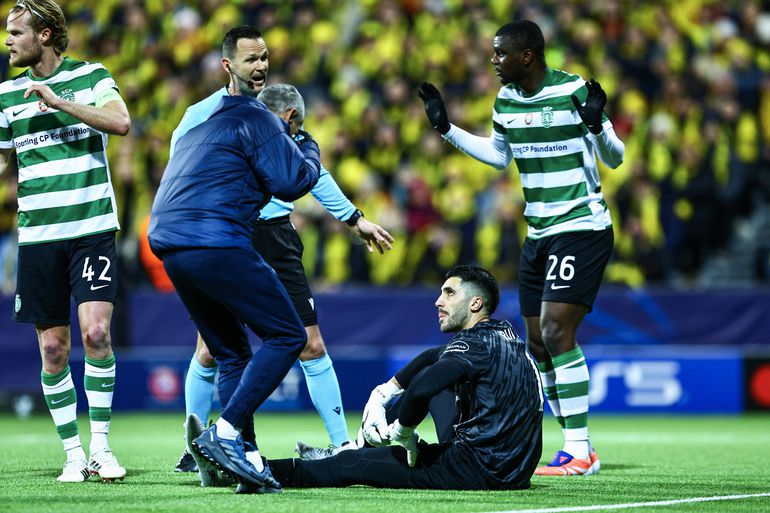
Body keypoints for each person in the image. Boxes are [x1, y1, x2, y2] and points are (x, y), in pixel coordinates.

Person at [169, 27, 394, 475]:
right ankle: (193, 446)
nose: (261, 66)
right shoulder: (200, 115)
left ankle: (341, 445)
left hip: (273, 238)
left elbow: (313, 176)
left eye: (265, 58)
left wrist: (354, 218)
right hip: (225, 235)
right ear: (228, 64)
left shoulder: (272, 115)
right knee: (212, 349)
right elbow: (181, 168)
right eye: (252, 59)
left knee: (309, 344)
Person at [418, 20, 624, 476]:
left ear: (526, 55)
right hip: (539, 233)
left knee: (554, 330)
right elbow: (498, 156)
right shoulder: (506, 100)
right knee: (538, 343)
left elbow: (616, 156)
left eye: (499, 53)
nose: (493, 60)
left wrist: (596, 126)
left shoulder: (572, 90)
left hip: (581, 226)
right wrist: (447, 128)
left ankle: (579, 448)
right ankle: (571, 447)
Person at [148, 68, 321, 492]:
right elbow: (293, 181)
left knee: (229, 352)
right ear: (291, 119)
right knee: (287, 335)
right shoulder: (264, 122)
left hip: (169, 244)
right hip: (216, 241)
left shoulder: (198, 129)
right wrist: (309, 147)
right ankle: (224, 433)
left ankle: (244, 453)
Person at [246, 265, 542, 492]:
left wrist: (402, 431)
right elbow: (430, 359)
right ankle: (356, 446)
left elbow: (423, 387)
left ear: (476, 304)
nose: (438, 301)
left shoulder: (473, 345)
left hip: (481, 470)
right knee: (432, 378)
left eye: (449, 293)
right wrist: (385, 391)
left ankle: (255, 469)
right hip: (514, 468)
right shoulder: (503, 335)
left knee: (354, 466)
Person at [0, 0, 131, 482]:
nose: (8, 40)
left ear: (46, 35)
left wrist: (57, 101)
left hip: (91, 229)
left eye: (16, 32)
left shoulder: (92, 76)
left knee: (96, 335)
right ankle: (73, 453)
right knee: (54, 350)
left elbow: (120, 123)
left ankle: (100, 447)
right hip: (37, 238)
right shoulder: (5, 95)